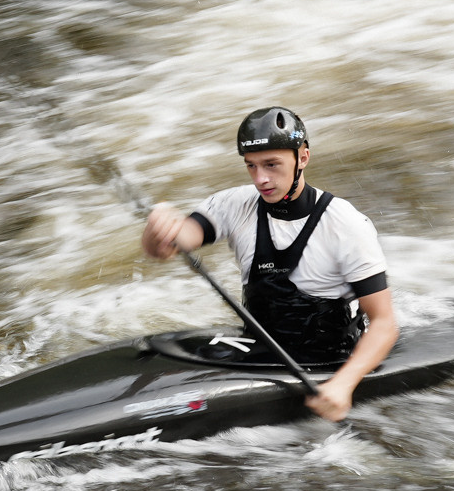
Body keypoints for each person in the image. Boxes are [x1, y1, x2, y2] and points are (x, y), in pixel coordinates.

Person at [140, 107, 399, 422]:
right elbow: (166, 248)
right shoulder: (234, 205)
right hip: (261, 346)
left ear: (302, 158)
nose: (260, 179)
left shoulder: (345, 224)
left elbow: (384, 323)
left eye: (272, 165)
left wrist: (344, 384)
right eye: (251, 166)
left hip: (326, 361)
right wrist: (158, 229)